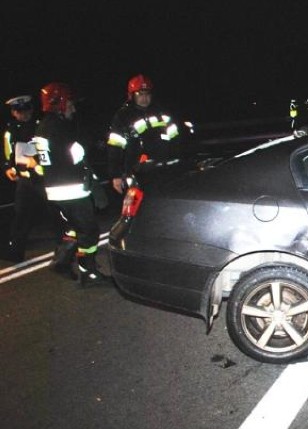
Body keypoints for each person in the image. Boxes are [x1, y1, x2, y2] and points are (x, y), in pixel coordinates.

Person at [33, 82, 110, 287]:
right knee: (89, 231)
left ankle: (61, 261)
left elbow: (41, 164)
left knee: (74, 228)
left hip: (54, 191)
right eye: (69, 104)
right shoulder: (60, 128)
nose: (73, 108)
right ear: (59, 104)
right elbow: (78, 155)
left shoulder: (42, 128)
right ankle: (88, 273)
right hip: (72, 190)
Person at [106, 74, 180, 193]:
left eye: (147, 94)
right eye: (140, 94)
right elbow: (114, 147)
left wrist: (178, 160)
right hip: (136, 171)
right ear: (132, 95)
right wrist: (116, 175)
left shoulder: (160, 112)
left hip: (164, 168)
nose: (144, 98)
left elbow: (176, 140)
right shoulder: (123, 116)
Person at [2, 95, 44, 262]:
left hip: (42, 178)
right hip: (24, 181)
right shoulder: (11, 129)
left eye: (26, 110)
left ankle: (67, 248)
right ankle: (16, 252)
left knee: (57, 211)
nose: (23, 115)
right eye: (19, 111)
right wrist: (8, 168)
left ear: (31, 110)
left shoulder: (39, 126)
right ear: (13, 112)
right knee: (21, 216)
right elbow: (7, 151)